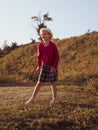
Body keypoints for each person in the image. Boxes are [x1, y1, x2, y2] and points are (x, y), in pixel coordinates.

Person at [25, 27, 59, 104]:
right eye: (41, 34)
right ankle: (32, 99)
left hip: (52, 66)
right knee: (39, 82)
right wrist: (39, 65)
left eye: (44, 34)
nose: (43, 35)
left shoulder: (53, 45)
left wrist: (54, 66)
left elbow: (57, 56)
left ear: (49, 35)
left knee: (52, 82)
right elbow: (39, 56)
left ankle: (54, 99)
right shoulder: (40, 45)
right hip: (44, 66)